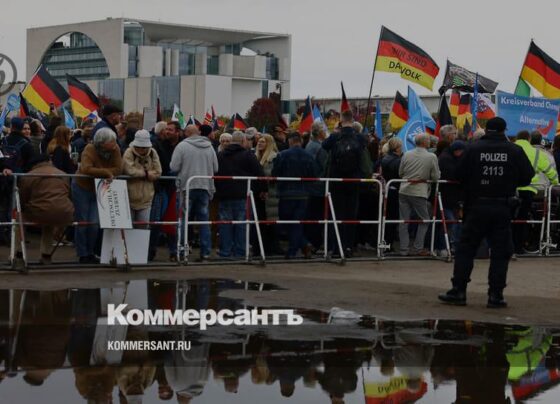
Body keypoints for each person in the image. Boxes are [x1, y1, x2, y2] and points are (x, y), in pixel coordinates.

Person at [438, 117, 534, 308]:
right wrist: (508, 182)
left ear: (487, 129)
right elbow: (527, 177)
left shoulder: (472, 149)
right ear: (504, 130)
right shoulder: (514, 150)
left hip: (476, 206)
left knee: (466, 249)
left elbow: (458, 174)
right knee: (500, 252)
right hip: (502, 207)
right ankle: (495, 295)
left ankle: (459, 291)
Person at [322, 110, 372, 257]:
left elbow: (324, 146)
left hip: (336, 181)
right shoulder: (360, 138)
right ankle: (349, 247)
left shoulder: (335, 137)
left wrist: (336, 131)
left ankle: (336, 247)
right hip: (354, 181)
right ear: (353, 120)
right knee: (351, 215)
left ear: (341, 121)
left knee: (336, 215)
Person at [13, 155, 75, 269]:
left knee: (18, 219)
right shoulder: (63, 174)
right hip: (64, 212)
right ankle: (46, 255)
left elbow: (22, 199)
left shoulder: (29, 176)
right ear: (49, 161)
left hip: (39, 212)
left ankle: (18, 253)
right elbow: (68, 193)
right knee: (49, 223)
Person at [73, 128, 123, 264]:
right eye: (111, 142)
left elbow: (119, 168)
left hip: (99, 188)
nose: (114, 145)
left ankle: (91, 252)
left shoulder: (115, 149)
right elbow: (86, 169)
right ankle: (82, 253)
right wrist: (107, 173)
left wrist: (100, 172)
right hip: (82, 187)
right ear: (101, 143)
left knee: (95, 223)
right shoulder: (89, 149)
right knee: (83, 221)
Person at [170, 124, 218, 260]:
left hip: (186, 186)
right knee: (204, 221)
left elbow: (174, 166)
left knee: (183, 220)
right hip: (205, 186)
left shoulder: (182, 146)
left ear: (186, 133)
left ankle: (182, 250)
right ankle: (206, 252)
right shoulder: (209, 146)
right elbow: (216, 167)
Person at [215, 131, 265, 257]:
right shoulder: (248, 155)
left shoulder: (220, 155)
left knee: (225, 224)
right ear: (243, 141)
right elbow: (259, 172)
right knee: (242, 224)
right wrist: (263, 189)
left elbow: (215, 172)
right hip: (243, 194)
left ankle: (225, 252)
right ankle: (240, 252)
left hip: (224, 194)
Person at [272, 132, 318, 258]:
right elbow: (314, 175)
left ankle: (294, 250)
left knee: (287, 222)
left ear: (290, 141)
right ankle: (303, 245)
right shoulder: (309, 156)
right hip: (303, 194)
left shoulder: (282, 155)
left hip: (286, 194)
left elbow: (275, 173)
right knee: (297, 223)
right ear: (301, 141)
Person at [513, 130, 558, 255]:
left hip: (509, 190)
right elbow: (550, 170)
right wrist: (556, 183)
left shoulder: (509, 149)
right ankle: (519, 247)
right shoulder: (537, 153)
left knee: (508, 219)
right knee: (523, 219)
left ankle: (505, 246)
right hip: (530, 190)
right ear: (528, 139)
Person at [398, 133, 441, 256]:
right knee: (425, 220)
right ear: (424, 143)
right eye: (428, 140)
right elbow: (435, 177)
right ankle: (418, 248)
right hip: (419, 192)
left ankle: (403, 249)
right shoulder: (431, 156)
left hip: (404, 190)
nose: (429, 142)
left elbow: (400, 172)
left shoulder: (407, 153)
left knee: (403, 221)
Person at [149, 121, 182, 261]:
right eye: (166, 129)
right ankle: (151, 251)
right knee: (157, 220)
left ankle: (174, 251)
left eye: (170, 130)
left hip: (176, 188)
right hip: (163, 187)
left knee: (172, 221)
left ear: (178, 132)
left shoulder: (182, 146)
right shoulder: (160, 145)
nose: (167, 132)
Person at [122, 129, 162, 227]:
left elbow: (158, 171)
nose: (142, 150)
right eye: (139, 147)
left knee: (143, 228)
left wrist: (140, 173)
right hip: (128, 198)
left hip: (146, 199)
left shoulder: (153, 153)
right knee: (128, 227)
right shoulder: (128, 152)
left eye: (144, 147)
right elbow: (129, 170)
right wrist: (147, 174)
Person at [435, 140, 466, 255]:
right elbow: (454, 174)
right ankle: (444, 247)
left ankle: (447, 246)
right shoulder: (447, 159)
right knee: (449, 222)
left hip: (451, 196)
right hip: (448, 196)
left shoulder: (447, 157)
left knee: (450, 222)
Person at [255, 133, 280, 255]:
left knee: (271, 222)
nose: (259, 143)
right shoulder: (256, 157)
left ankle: (272, 247)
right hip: (260, 194)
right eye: (259, 141)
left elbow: (271, 175)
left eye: (263, 141)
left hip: (271, 194)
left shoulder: (273, 158)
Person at [380, 137, 403, 251]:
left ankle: (385, 244)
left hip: (387, 190)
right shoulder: (398, 161)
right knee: (392, 219)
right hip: (395, 190)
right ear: (398, 147)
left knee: (386, 218)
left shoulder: (385, 158)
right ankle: (387, 245)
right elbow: (400, 174)